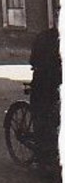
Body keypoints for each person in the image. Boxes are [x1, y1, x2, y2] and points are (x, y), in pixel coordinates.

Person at [29, 27, 60, 164]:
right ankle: (41, 157)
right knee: (43, 116)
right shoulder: (45, 38)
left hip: (52, 83)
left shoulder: (43, 36)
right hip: (44, 85)